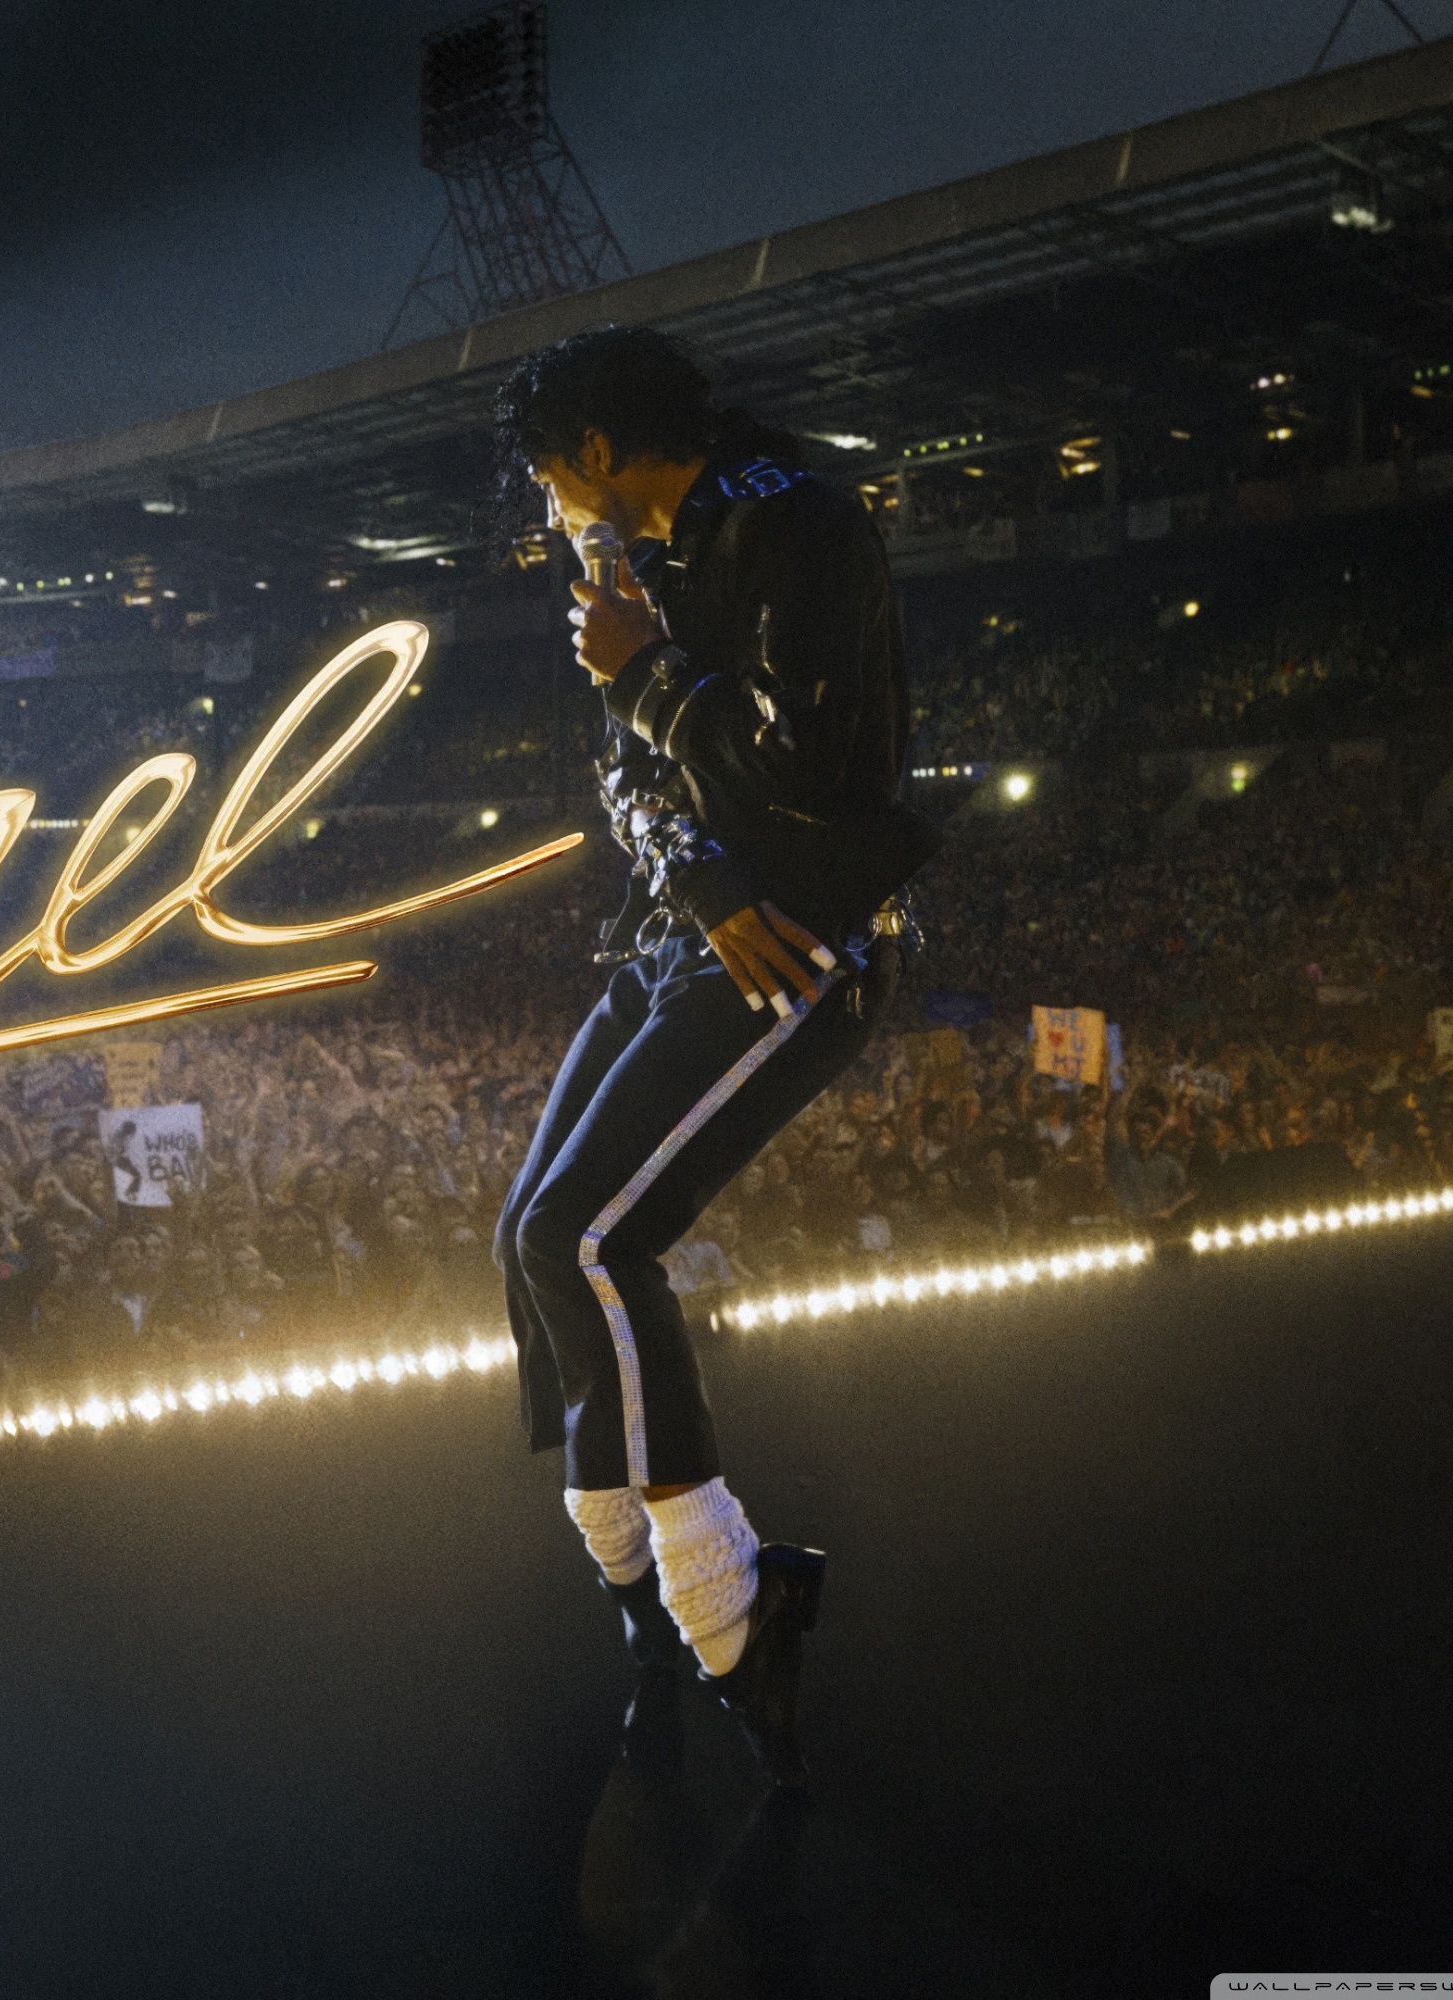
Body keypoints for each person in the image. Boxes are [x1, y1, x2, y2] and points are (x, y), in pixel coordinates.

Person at [488, 325, 940, 1785]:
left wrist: (648, 675)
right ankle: (640, 1594)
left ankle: (733, 1612)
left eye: (550, 473)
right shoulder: (638, 556)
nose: (549, 503)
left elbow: (819, 771)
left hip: (803, 943)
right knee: (528, 1238)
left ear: (599, 451)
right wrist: (696, 871)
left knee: (588, 1240)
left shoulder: (798, 527)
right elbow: (625, 775)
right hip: (696, 926)